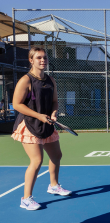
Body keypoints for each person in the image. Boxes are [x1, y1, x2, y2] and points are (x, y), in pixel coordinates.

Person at [11, 47, 71, 211]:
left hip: (47, 123)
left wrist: (53, 113)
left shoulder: (51, 80)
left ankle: (53, 185)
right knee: (37, 161)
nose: (43, 60)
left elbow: (54, 102)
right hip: (30, 124)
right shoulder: (26, 80)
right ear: (31, 60)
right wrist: (39, 116)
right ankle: (26, 199)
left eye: (45, 57)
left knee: (56, 155)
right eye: (39, 58)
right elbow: (17, 104)